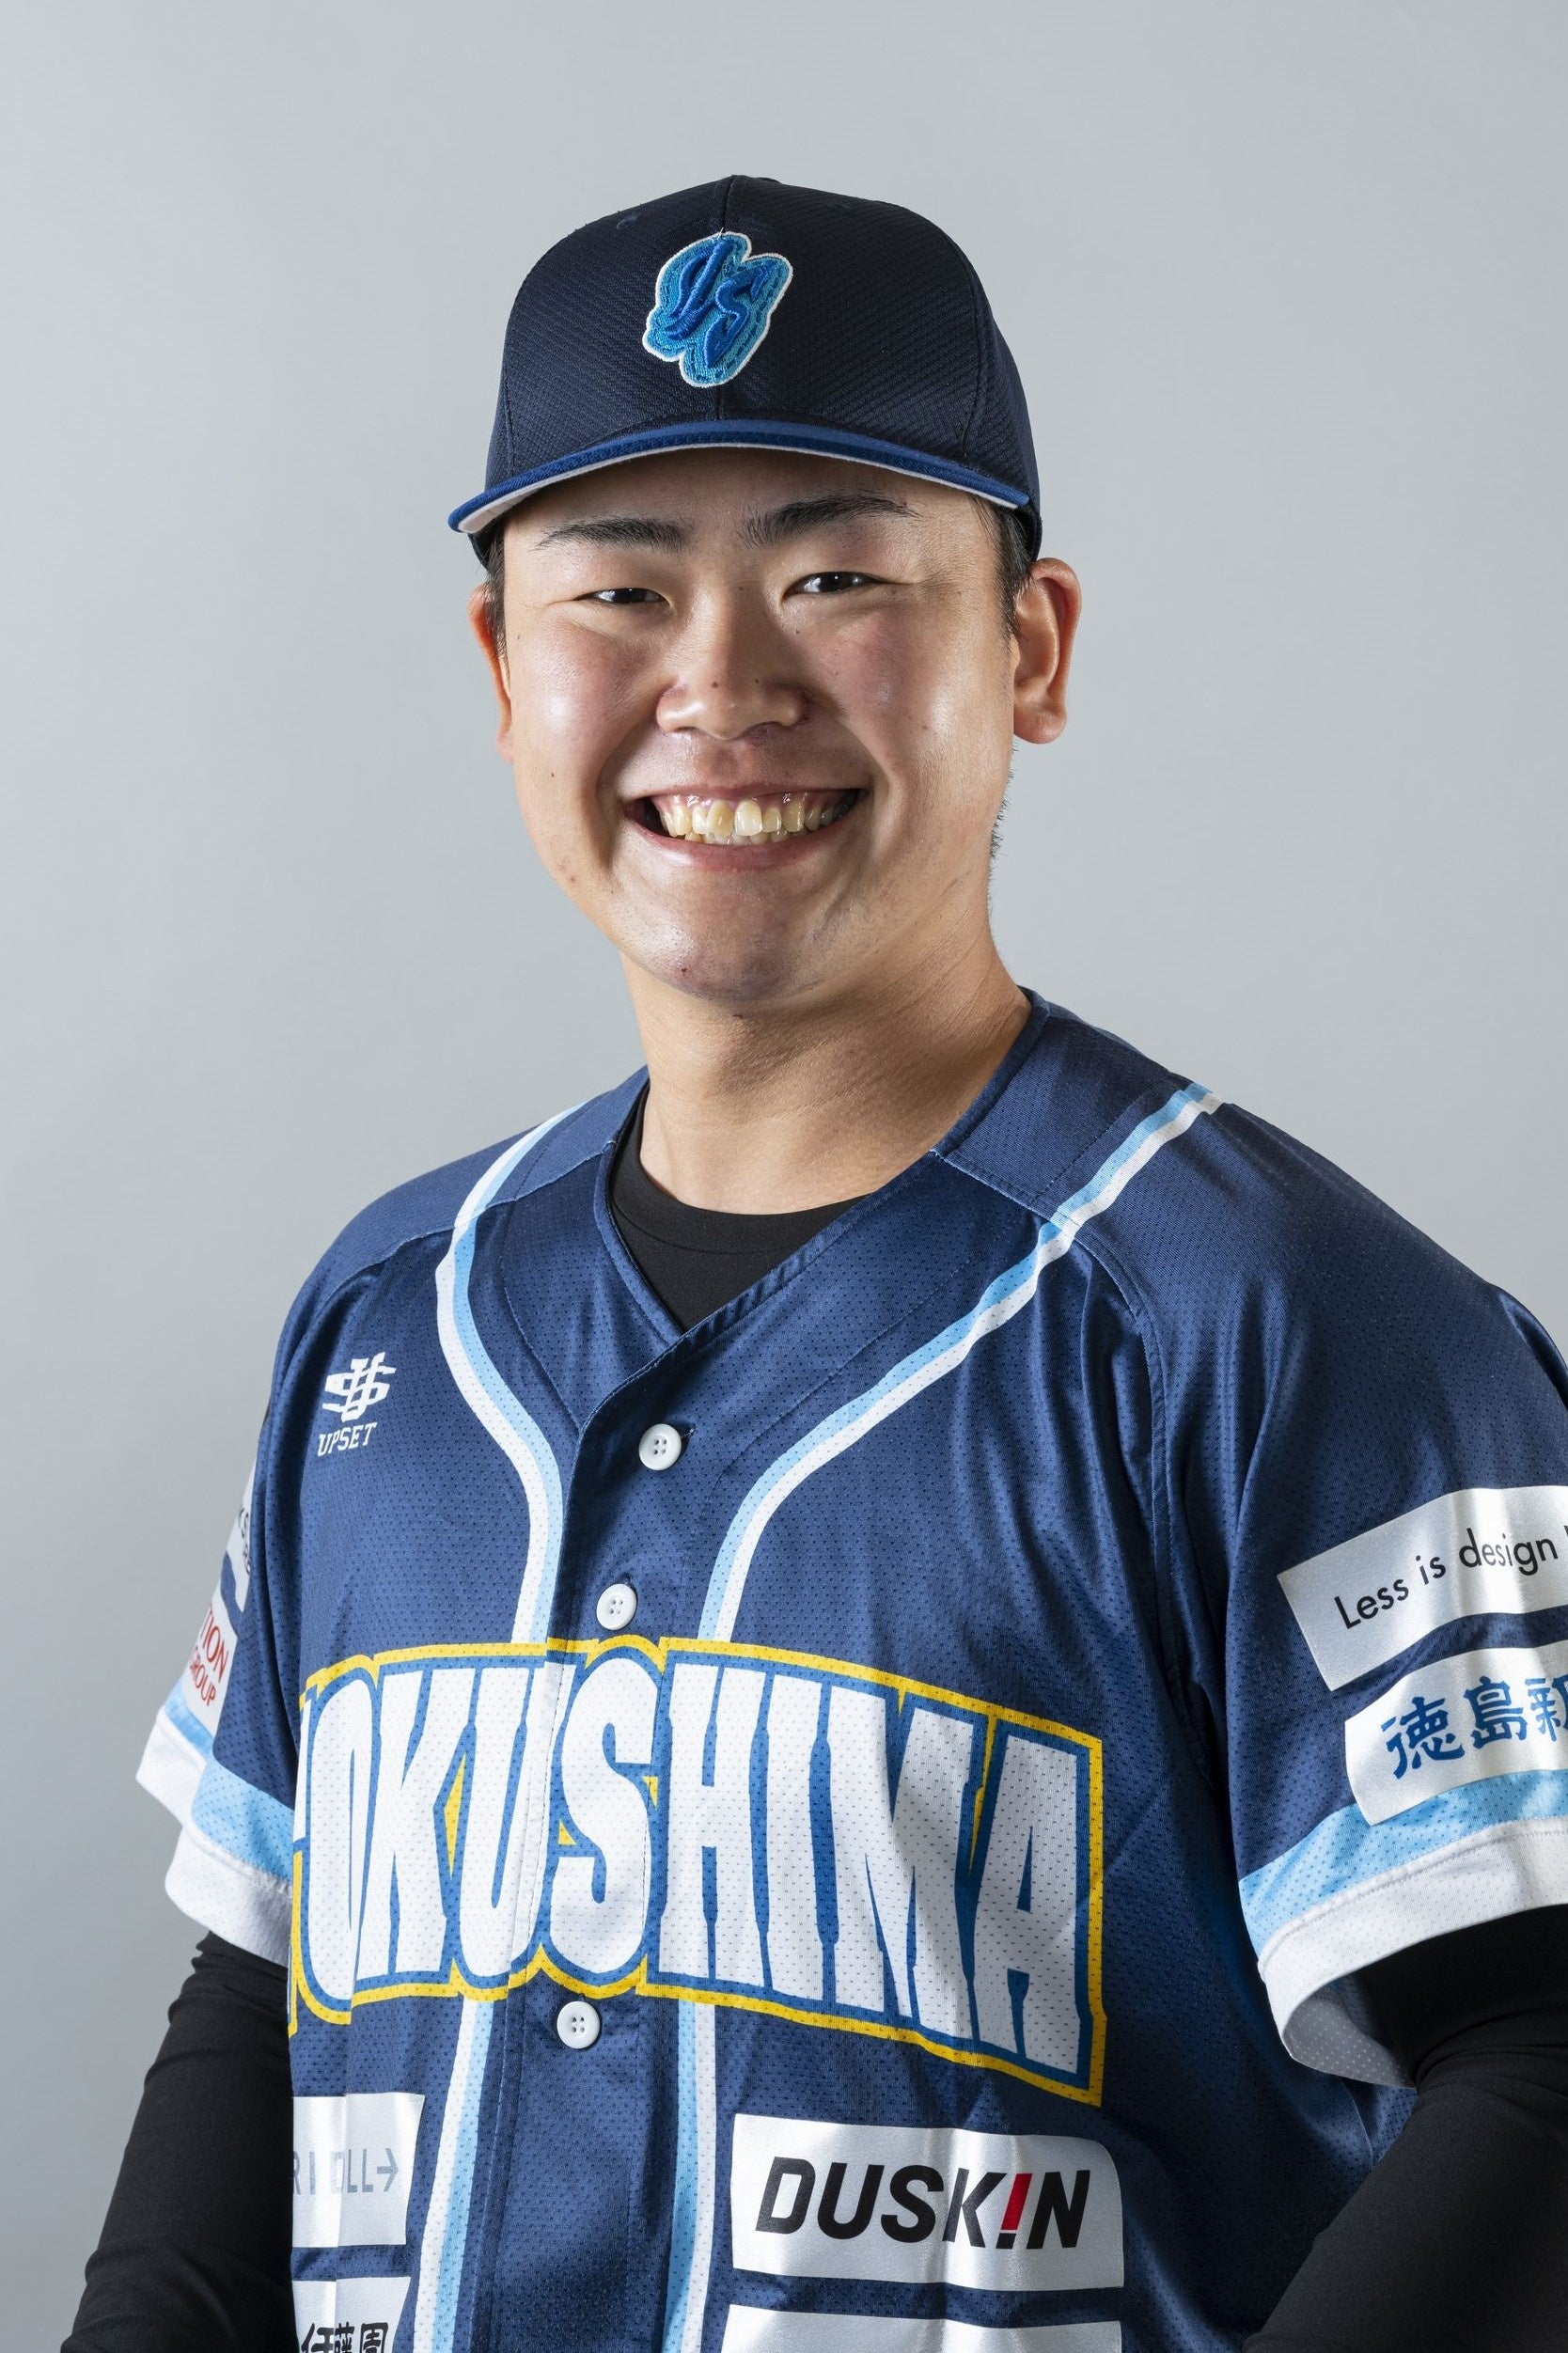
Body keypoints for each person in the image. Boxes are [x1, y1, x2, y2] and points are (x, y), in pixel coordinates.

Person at [69, 176, 1568, 2353]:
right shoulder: (389, 1316)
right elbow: (258, 1982)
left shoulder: (1282, 1326)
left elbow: (1540, 2043)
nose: (721, 684)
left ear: (1029, 648)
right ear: (502, 668)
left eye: (836, 574)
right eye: (620, 587)